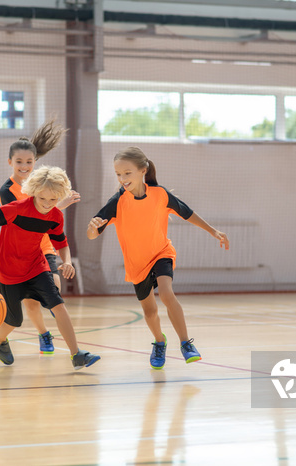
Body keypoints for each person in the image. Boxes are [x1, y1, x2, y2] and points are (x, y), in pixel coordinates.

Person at [87, 146, 229, 370]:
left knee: (166, 292)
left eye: (127, 172)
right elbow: (92, 234)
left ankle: (185, 343)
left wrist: (213, 231)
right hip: (136, 264)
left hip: (161, 252)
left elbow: (187, 212)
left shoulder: (160, 195)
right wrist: (92, 228)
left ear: (143, 170)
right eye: (118, 174)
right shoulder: (118, 202)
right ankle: (160, 342)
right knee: (150, 311)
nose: (122, 178)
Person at [0, 165, 100, 370]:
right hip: (9, 274)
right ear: (33, 192)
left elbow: (61, 242)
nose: (48, 204)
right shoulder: (15, 209)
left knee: (58, 306)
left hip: (36, 268)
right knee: (14, 322)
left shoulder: (56, 216)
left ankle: (77, 354)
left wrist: (66, 261)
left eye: (53, 200)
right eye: (43, 199)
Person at [0, 119, 80, 355]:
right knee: (31, 304)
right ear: (11, 163)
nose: (24, 166)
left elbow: (47, 217)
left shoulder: (43, 184)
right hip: (19, 251)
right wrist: (60, 206)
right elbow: (26, 219)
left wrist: (57, 201)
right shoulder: (7, 190)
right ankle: (44, 333)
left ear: (35, 162)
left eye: (29, 162)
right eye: (19, 162)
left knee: (54, 287)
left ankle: (64, 332)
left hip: (42, 246)